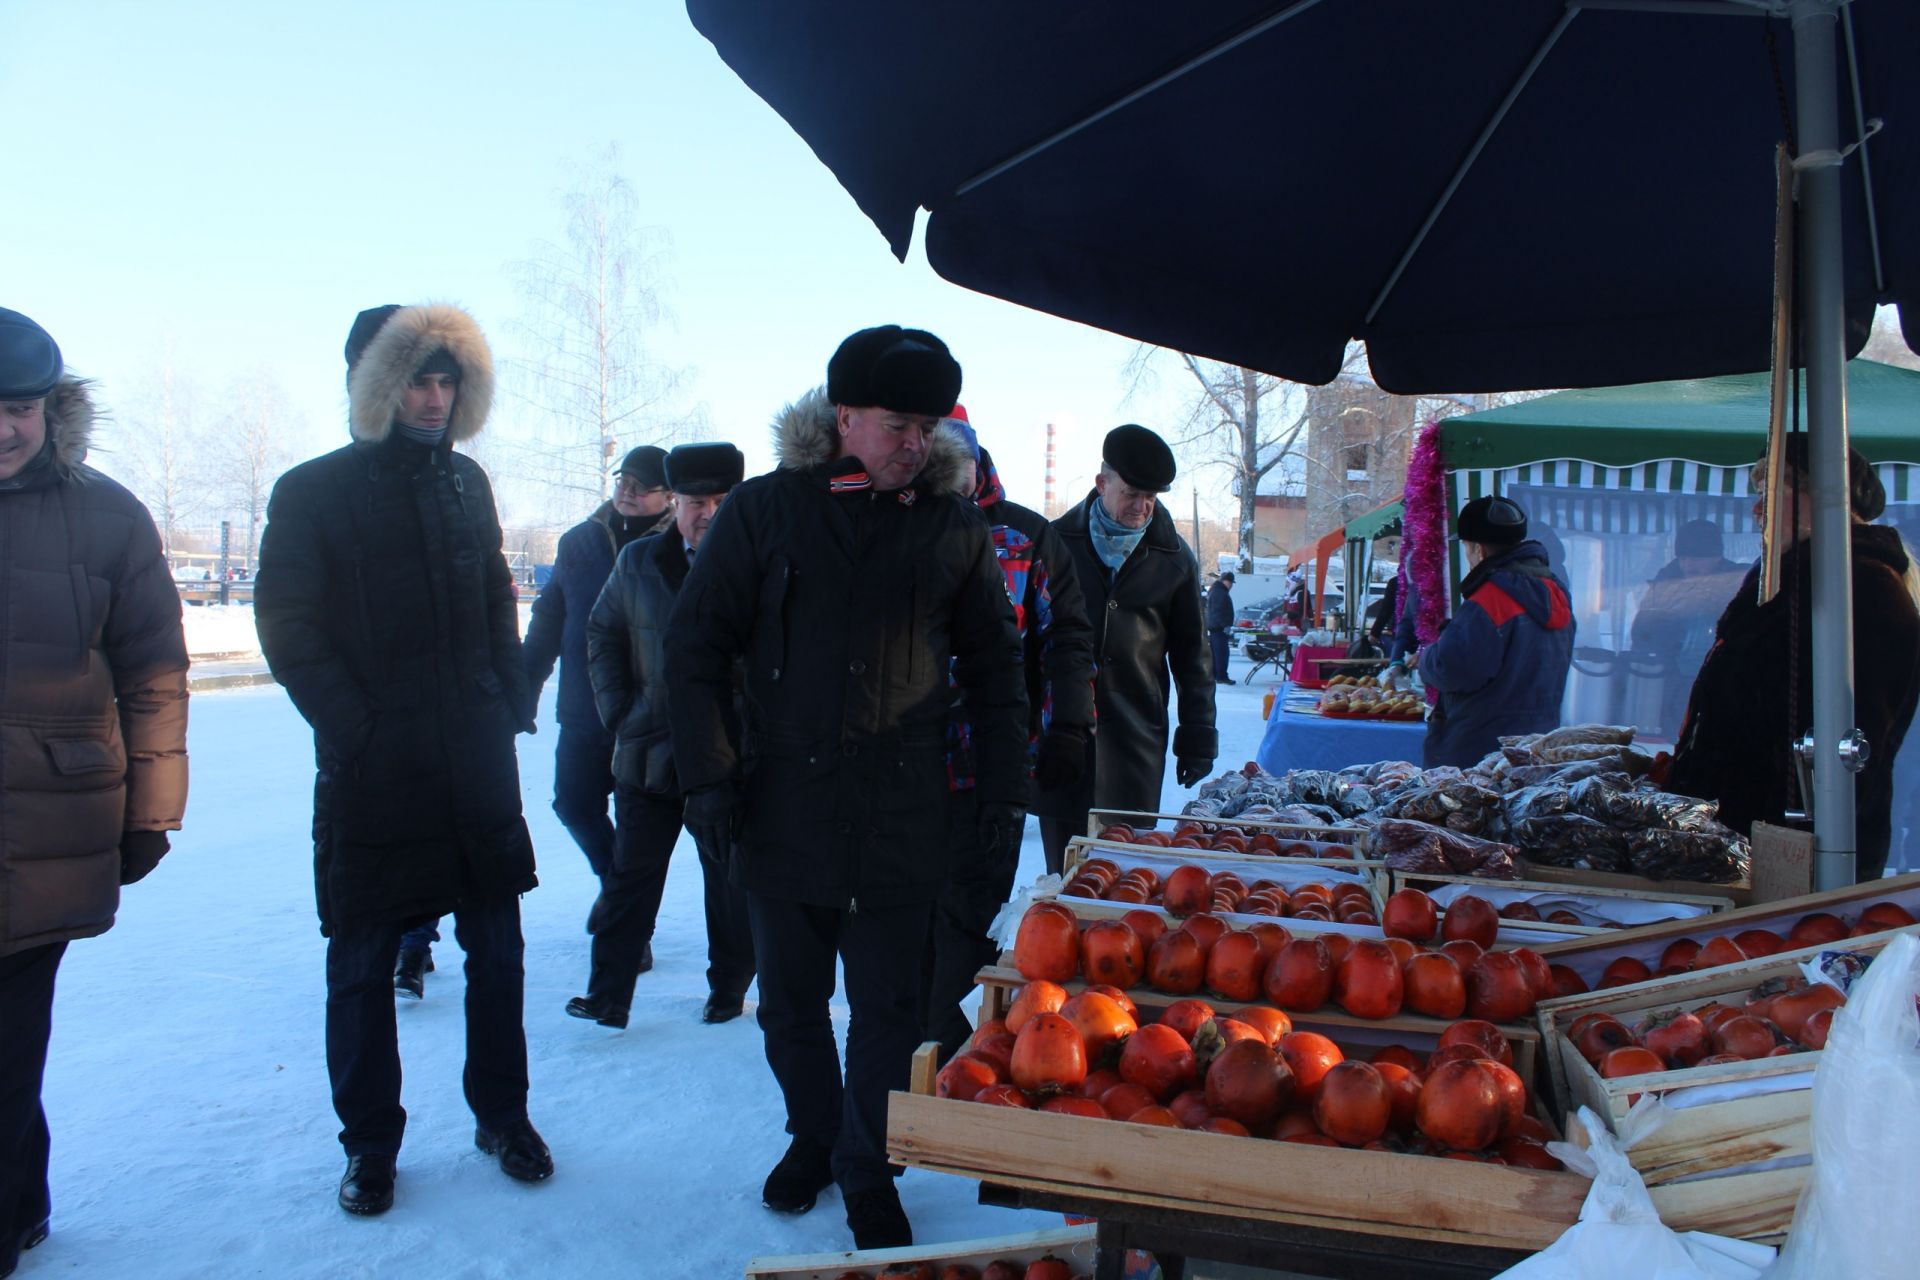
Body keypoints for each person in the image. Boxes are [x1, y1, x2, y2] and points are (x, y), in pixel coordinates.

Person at [666, 326, 1026, 1250]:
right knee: (787, 1005)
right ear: (845, 417)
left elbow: (994, 671)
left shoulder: (952, 526)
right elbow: (695, 647)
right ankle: (812, 1133)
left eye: (928, 426)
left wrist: (1000, 797)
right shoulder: (766, 512)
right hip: (781, 802)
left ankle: (868, 1165)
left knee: (889, 1010)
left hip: (904, 811)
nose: (917, 443)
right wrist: (707, 775)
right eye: (899, 424)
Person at [254, 303, 552, 1217]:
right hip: (373, 771)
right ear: (373, 386)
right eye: (416, 379)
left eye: (446, 379)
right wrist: (361, 731)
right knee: (361, 967)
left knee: (498, 953)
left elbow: (496, 595)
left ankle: (503, 1115)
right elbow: (290, 630)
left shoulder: (467, 484)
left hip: (472, 761)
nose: (433, 398)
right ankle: (370, 1145)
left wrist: (508, 697)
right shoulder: (312, 491)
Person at [0, 309, 189, 1279]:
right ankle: (20, 1201)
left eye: (19, 408)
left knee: (8, 1041)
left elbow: (153, 667)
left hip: (48, 827)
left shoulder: (107, 516)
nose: (3, 429)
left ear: (50, 408)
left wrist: (151, 806)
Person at [921, 407, 1095, 1062]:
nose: (944, 476)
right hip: (899, 772)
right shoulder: (895, 528)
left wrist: (1068, 727)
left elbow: (1066, 640)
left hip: (987, 770)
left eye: (953, 462)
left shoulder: (1026, 537)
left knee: (968, 925)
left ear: (976, 463)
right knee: (904, 931)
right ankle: (903, 1076)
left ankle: (947, 1068)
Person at [1668, 440, 1920, 881]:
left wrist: (1798, 849)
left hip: (1797, 851)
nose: (1756, 510)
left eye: (1771, 494)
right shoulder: (1794, 578)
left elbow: (1852, 748)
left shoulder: (1863, 588)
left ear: (1817, 497)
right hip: (1745, 836)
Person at [486, 445, 677, 1004]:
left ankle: (629, 929)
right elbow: (549, 621)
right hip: (583, 709)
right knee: (573, 804)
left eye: (644, 485)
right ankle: (618, 893)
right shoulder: (580, 543)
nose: (628, 490)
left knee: (641, 827)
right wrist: (522, 691)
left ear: (667, 497)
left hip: (649, 716)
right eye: (625, 479)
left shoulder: (677, 548)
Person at [579, 442, 755, 1029]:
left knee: (728, 887)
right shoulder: (637, 561)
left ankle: (728, 990)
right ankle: (608, 996)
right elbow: (602, 632)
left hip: (726, 761)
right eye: (694, 501)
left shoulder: (754, 563)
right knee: (630, 881)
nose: (707, 513)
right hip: (647, 753)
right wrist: (620, 712)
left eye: (720, 501)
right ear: (675, 504)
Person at [1033, 425, 1217, 875]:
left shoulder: (1174, 557)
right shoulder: (1055, 543)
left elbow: (1194, 657)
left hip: (1136, 738)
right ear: (1102, 484)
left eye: (1151, 497)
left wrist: (1196, 736)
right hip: (1062, 734)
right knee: (1065, 871)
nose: (1142, 508)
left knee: (1126, 875)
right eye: (1132, 493)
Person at [1418, 495, 1575, 768]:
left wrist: (1427, 657)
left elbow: (1452, 668)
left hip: (1479, 753)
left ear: (1478, 549)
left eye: (1466, 546)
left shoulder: (1491, 599)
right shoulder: (1556, 590)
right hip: (1536, 748)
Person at [1630, 519, 1747, 739]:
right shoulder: (1665, 584)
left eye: (1696, 558)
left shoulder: (1737, 582)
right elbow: (1641, 635)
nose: (1688, 565)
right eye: (1683, 558)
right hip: (1675, 681)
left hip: (1725, 680)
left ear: (1717, 557)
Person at [1205, 569, 1236, 684]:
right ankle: (1221, 676)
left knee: (1216, 653)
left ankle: (1216, 674)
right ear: (1225, 581)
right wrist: (1225, 625)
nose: (1231, 585)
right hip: (1219, 628)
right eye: (1230, 582)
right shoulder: (1220, 592)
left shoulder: (1217, 590)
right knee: (1221, 653)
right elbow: (1219, 611)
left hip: (1215, 627)